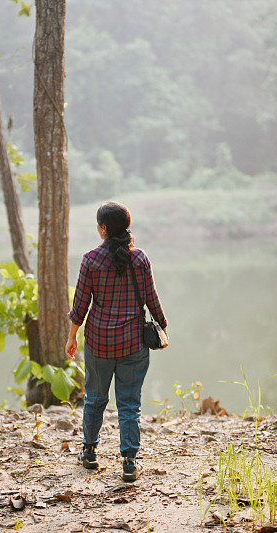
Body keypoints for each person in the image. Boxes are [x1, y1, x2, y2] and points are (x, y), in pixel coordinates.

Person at [65, 201, 168, 482]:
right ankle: (129, 462)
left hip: (99, 343)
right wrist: (163, 325)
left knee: (95, 399)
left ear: (103, 229)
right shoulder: (140, 258)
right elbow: (152, 298)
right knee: (129, 404)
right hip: (133, 343)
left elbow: (80, 305)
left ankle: (88, 453)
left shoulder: (90, 259)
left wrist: (72, 336)